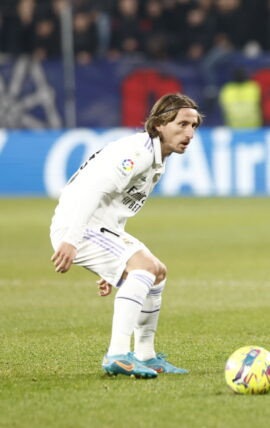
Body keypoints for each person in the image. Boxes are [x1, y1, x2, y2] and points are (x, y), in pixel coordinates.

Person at [50, 93, 202, 378]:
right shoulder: (139, 154)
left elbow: (114, 208)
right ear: (159, 124)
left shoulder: (156, 155)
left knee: (157, 272)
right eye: (182, 124)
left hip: (101, 227)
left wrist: (113, 264)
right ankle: (117, 354)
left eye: (194, 126)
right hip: (79, 225)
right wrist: (71, 239)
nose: (189, 133)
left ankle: (146, 355)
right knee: (143, 268)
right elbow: (94, 191)